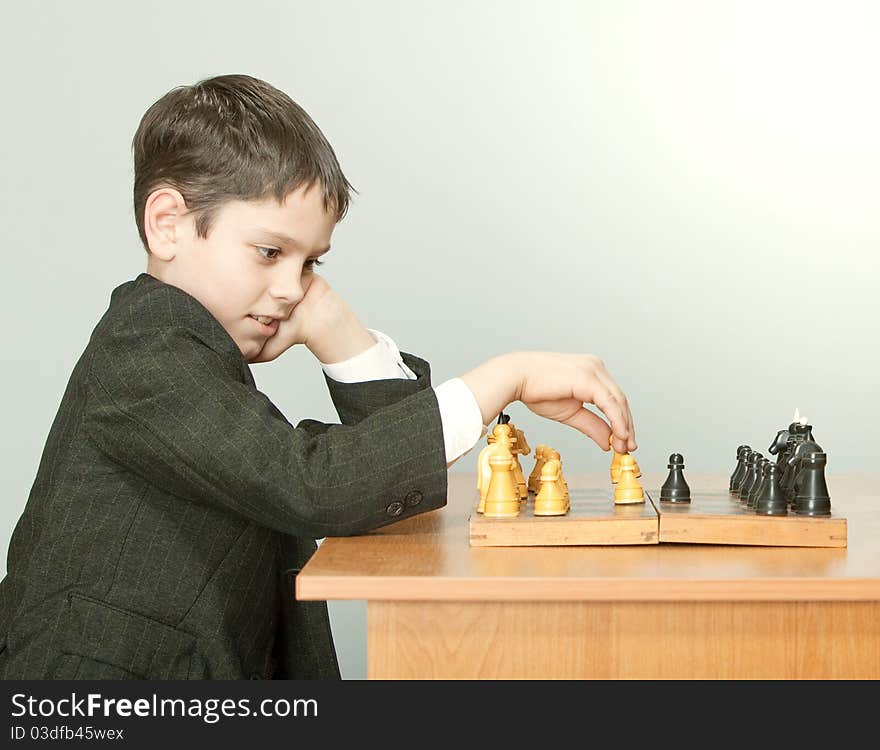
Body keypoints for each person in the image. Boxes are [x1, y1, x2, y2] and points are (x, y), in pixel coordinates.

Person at [0, 74, 636, 680]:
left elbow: (384, 484)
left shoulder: (187, 352)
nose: (291, 289)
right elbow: (314, 482)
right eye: (271, 252)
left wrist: (338, 330)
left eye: (310, 263)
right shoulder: (144, 352)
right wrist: (507, 376)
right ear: (168, 224)